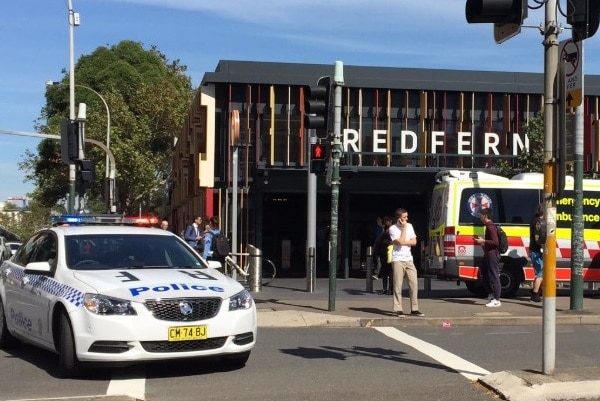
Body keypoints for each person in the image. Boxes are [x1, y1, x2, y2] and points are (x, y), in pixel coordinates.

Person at [388, 208, 424, 317]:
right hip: (398, 259)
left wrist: (404, 241)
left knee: (414, 283)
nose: (406, 219)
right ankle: (398, 308)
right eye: (404, 217)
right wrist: (403, 229)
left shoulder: (410, 226)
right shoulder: (392, 229)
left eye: (407, 217)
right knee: (398, 284)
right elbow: (399, 242)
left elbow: (414, 242)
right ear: (399, 218)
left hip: (409, 258)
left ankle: (414, 308)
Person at [474, 207, 502, 307]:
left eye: (481, 215)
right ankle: (491, 295)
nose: (480, 217)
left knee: (493, 275)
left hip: (492, 254)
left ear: (485, 216)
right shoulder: (488, 226)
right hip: (488, 254)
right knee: (484, 274)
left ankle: (497, 299)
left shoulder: (490, 227)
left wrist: (483, 241)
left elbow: (495, 242)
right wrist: (483, 241)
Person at [373, 216, 393, 295]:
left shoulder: (391, 231)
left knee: (390, 272)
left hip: (389, 252)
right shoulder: (383, 230)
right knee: (385, 271)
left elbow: (393, 241)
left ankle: (390, 289)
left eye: (387, 221)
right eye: (385, 222)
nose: (386, 223)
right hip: (383, 253)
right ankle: (385, 288)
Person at [529, 204, 545, 303]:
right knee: (540, 273)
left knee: (539, 273)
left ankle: (535, 291)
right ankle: (535, 294)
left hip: (534, 250)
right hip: (538, 250)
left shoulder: (534, 220)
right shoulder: (539, 222)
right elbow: (540, 237)